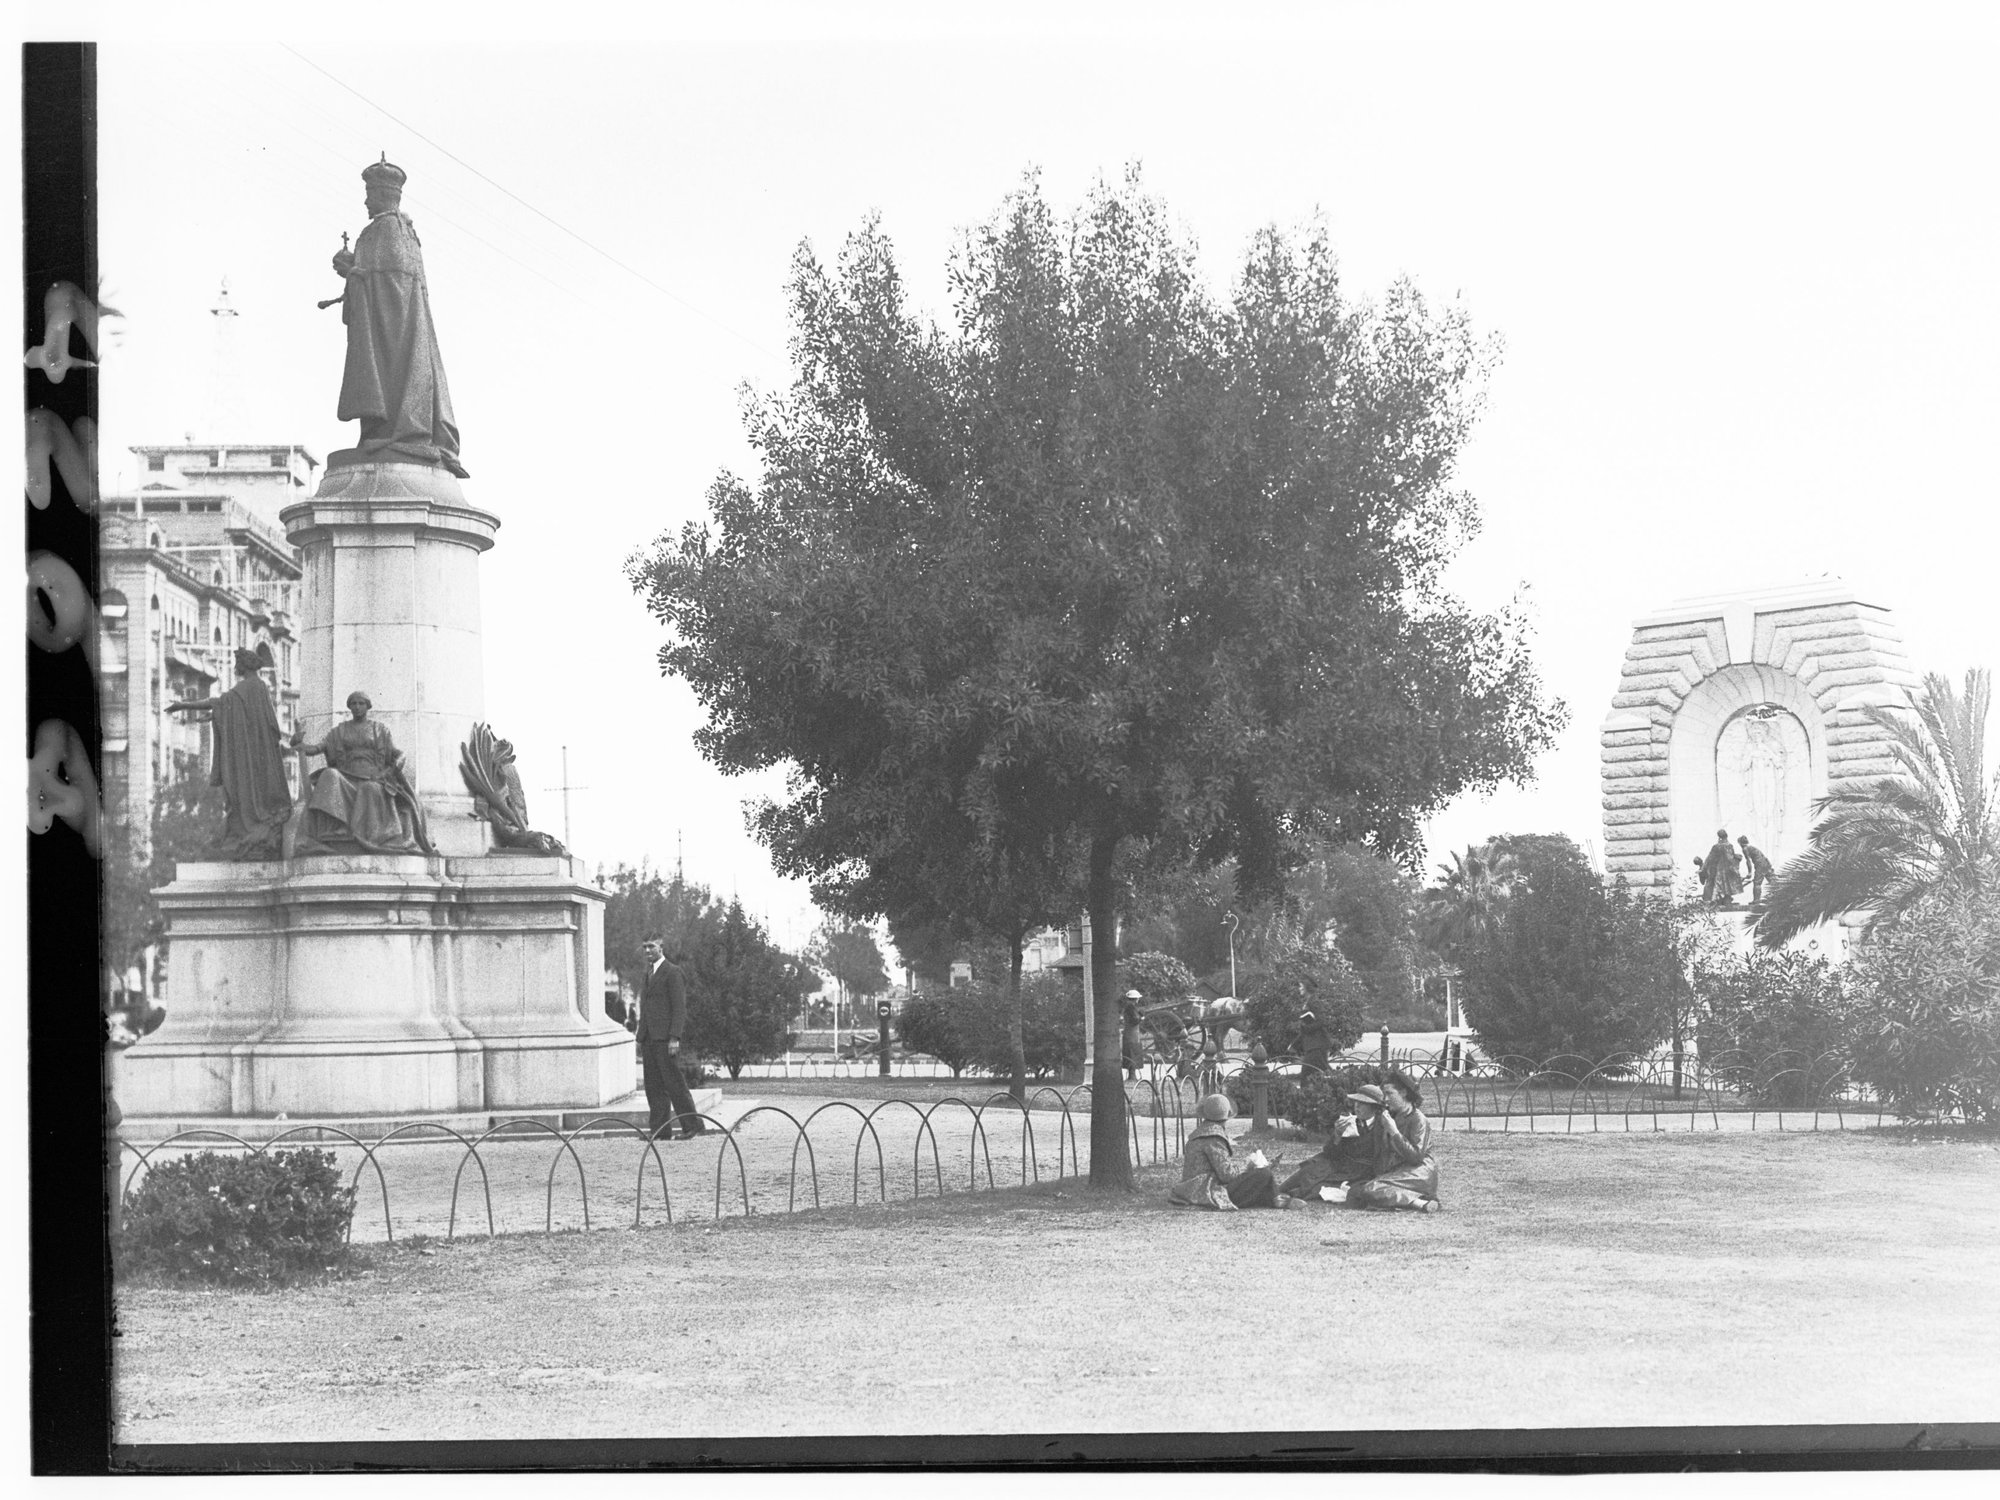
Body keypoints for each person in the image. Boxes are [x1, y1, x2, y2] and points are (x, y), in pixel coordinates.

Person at [330, 157, 467, 476]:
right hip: (394, 332)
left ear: (382, 195)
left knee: (390, 373)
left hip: (394, 335)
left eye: (369, 193)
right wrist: (356, 276)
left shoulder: (388, 229)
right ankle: (386, 430)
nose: (365, 200)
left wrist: (352, 273)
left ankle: (397, 431)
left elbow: (393, 289)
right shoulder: (399, 231)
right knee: (387, 376)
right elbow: (386, 283)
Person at [166, 646, 291, 860]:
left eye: (237, 664)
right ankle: (248, 829)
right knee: (247, 792)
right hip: (257, 753)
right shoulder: (258, 688)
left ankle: (249, 829)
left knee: (245, 790)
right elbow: (229, 710)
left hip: (248, 756)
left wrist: (183, 705)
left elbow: (219, 704)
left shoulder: (247, 688)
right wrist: (216, 716)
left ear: (243, 665)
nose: (235, 667)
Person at [294, 691, 434, 855]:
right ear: (349, 707)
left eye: (361, 703)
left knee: (369, 788)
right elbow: (316, 748)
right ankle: (336, 828)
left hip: (374, 778)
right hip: (346, 776)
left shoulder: (379, 730)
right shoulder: (340, 730)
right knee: (329, 775)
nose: (357, 707)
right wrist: (300, 744)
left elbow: (399, 755)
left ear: (368, 706)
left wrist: (389, 771)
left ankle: (372, 836)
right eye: (353, 704)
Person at [1169, 1093, 1305, 1210]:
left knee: (1258, 1177)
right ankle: (1277, 1198)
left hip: (1195, 1188)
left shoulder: (1200, 1133)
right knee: (1264, 1174)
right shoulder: (1214, 1138)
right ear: (1226, 1115)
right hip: (1208, 1191)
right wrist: (1247, 1166)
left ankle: (1275, 1196)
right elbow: (1226, 1175)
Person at [635, 936, 707, 1140]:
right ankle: (660, 1130)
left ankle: (693, 1126)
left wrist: (675, 1037)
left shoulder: (672, 972)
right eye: (645, 947)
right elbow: (647, 1008)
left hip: (666, 1039)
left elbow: (679, 1008)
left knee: (675, 1084)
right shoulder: (647, 973)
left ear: (661, 947)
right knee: (653, 1087)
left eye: (651, 947)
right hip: (649, 1038)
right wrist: (641, 1037)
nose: (647, 951)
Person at [1340, 1075, 1442, 1212]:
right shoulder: (1388, 1116)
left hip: (1418, 1172)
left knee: (1370, 1189)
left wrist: (1393, 1131)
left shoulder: (1418, 1119)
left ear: (1404, 1093)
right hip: (1398, 1171)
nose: (1385, 1099)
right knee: (1356, 1192)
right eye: (1384, 1094)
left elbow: (1416, 1157)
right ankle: (1419, 1201)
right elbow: (1378, 1152)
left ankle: (1419, 1203)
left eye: (1389, 1093)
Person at [1700, 828, 1745, 906]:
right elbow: (1729, 858)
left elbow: (1709, 858)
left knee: (1718, 884)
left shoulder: (1716, 846)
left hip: (1718, 868)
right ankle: (1723, 900)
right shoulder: (1729, 845)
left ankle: (1716, 899)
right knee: (1727, 884)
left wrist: (1704, 868)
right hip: (1727, 869)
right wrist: (1737, 859)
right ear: (1726, 836)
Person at [1738, 834, 1777, 905]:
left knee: (1757, 883)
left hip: (1760, 865)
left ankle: (1756, 901)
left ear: (1740, 843)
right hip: (1766, 863)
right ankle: (1778, 897)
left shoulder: (1745, 849)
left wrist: (1750, 872)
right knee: (1772, 881)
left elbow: (1748, 861)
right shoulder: (1751, 847)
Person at [1296, 1009, 1332, 1076]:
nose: (1303, 1021)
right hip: (1314, 1050)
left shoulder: (1316, 1025)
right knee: (1321, 1069)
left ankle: (1336, 1081)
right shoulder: (1308, 1028)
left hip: (1316, 1051)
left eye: (1304, 1019)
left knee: (1308, 1071)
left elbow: (1309, 1029)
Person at [1121, 991, 1146, 1079]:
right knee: (1132, 1052)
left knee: (1130, 1052)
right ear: (1136, 999)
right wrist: (1141, 1018)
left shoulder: (1129, 1006)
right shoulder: (1131, 1007)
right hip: (1132, 1034)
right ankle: (1132, 1075)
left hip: (1129, 1033)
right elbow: (1135, 1019)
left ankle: (1132, 1074)